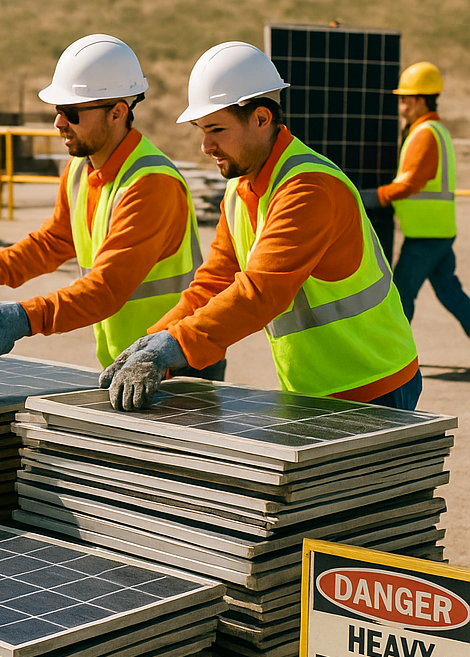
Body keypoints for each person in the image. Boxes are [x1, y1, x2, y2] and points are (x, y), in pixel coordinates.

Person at [102, 40, 420, 412]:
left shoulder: (308, 188)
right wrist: (153, 341)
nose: (205, 146)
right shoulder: (240, 189)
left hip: (373, 384)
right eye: (201, 130)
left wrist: (174, 346)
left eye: (216, 129)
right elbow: (214, 282)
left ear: (261, 118)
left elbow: (261, 292)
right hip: (313, 387)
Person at [0, 33, 220, 376]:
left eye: (71, 112)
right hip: (130, 362)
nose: (58, 122)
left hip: (175, 362)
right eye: (58, 110)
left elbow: (106, 289)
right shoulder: (81, 169)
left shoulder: (151, 184)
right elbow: (54, 241)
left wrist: (25, 317)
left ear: (117, 112)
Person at [362, 61, 470, 336]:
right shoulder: (435, 130)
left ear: (422, 101)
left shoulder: (424, 135)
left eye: (406, 101)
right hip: (437, 232)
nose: (401, 108)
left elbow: (408, 185)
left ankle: (391, 354)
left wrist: (367, 198)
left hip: (425, 237)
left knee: (400, 297)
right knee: (452, 295)